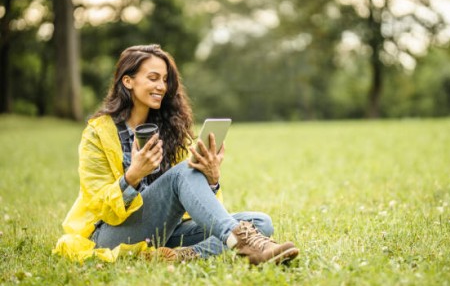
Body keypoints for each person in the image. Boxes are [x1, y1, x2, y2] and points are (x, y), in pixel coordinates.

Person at [53, 44, 299, 265]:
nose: (161, 86)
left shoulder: (169, 129)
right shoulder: (97, 133)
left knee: (260, 223)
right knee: (185, 175)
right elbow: (98, 204)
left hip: (164, 232)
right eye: (153, 78)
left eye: (165, 79)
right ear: (128, 81)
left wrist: (211, 179)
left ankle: (184, 255)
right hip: (109, 233)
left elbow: (197, 202)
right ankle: (244, 245)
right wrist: (132, 177)